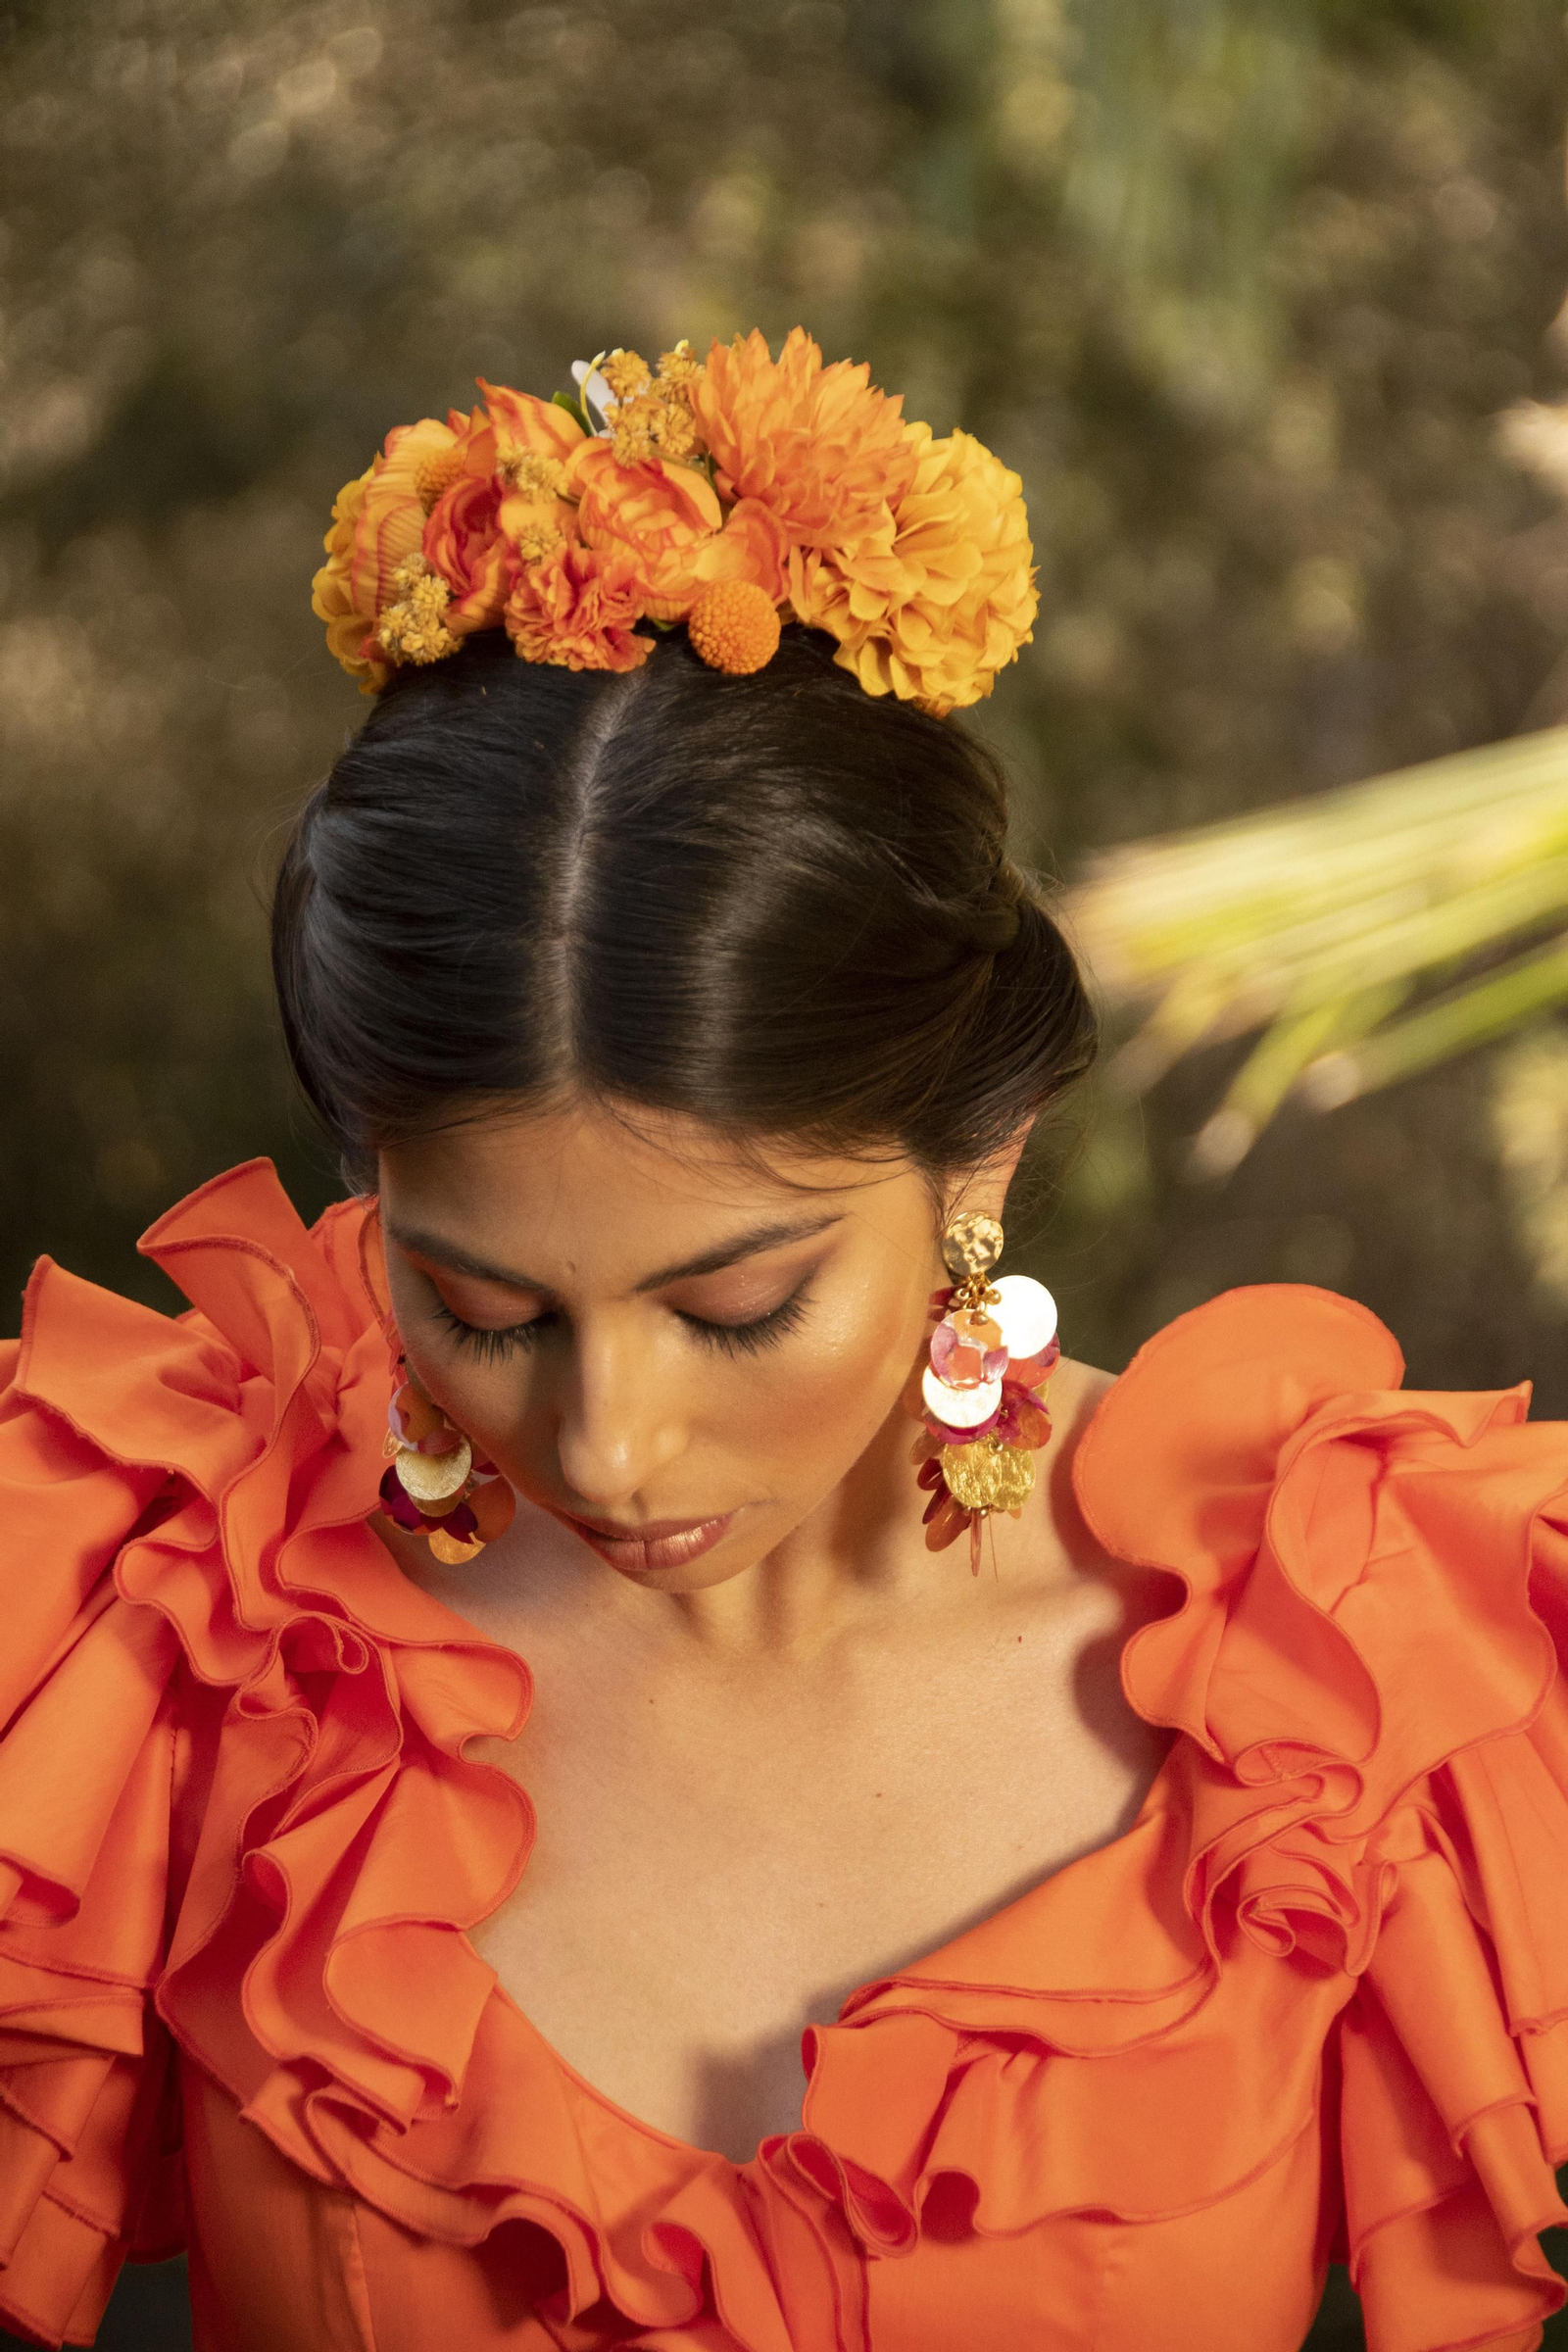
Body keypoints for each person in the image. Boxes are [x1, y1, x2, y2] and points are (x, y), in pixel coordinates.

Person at [1, 330, 1566, 2352]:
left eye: (733, 1306)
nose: (612, 1446)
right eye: (478, 1309)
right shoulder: (138, 1613)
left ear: (973, 1162)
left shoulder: (1378, 1669)